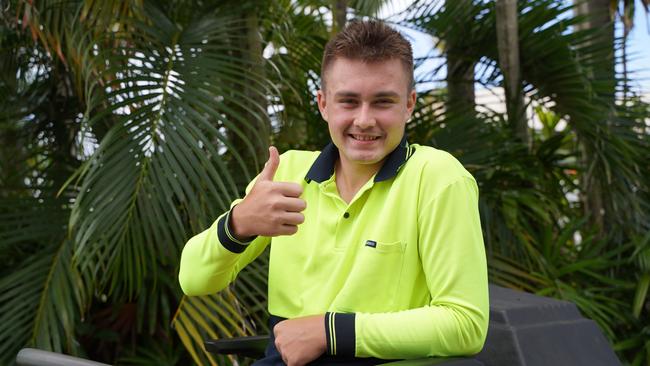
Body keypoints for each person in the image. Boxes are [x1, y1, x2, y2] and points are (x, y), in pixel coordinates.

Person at [179, 20, 488, 366]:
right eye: (349, 102)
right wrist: (238, 224)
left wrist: (330, 331)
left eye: (383, 102)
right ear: (324, 104)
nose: (365, 120)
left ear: (409, 104)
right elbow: (194, 280)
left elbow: (466, 324)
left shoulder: (438, 177)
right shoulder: (287, 173)